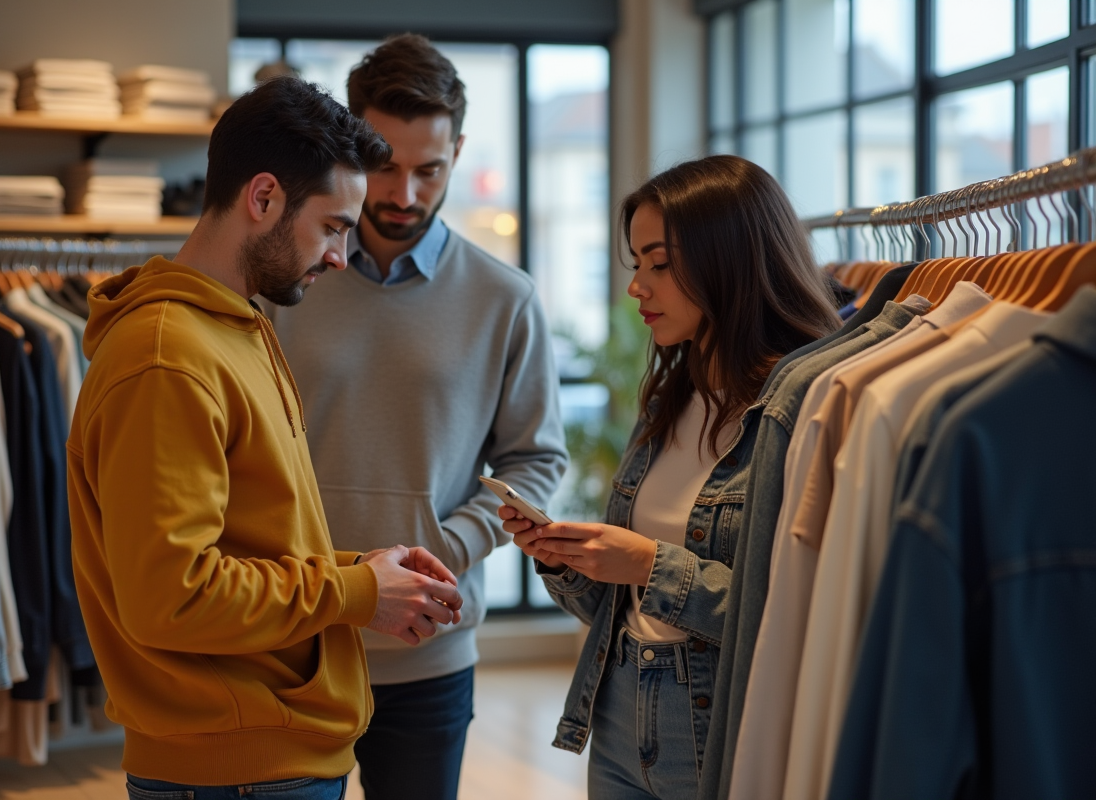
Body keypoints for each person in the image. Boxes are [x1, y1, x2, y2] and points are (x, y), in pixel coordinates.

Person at [67, 77, 465, 800]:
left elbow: (247, 541)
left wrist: (364, 570)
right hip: (236, 770)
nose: (342, 255)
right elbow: (172, 596)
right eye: (334, 226)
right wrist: (352, 591)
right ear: (263, 199)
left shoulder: (234, 327)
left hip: (265, 752)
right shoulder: (168, 355)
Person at [266, 34, 568, 800]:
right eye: (384, 166)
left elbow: (538, 463)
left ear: (458, 152)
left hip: (429, 650)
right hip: (292, 642)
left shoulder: (506, 299)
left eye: (428, 169)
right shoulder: (278, 283)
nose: (403, 192)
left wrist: (448, 547)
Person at [499, 156, 841, 799]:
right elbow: (614, 601)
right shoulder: (669, 400)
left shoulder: (808, 407)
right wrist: (566, 557)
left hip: (718, 725)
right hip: (618, 705)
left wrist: (651, 566)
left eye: (659, 264)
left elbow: (802, 613)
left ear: (728, 261)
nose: (637, 287)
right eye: (636, 265)